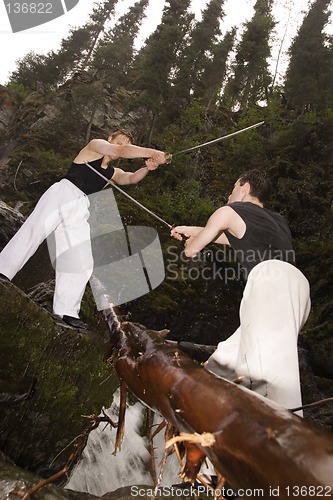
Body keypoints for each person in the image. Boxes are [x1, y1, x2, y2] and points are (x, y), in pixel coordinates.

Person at [171, 169, 311, 415]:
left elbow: (194, 249)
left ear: (244, 187)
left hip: (270, 284)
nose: (228, 195)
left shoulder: (228, 211)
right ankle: (202, 414)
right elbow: (223, 236)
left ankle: (286, 437)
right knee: (227, 362)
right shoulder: (277, 221)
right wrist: (190, 229)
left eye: (232, 189)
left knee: (271, 378)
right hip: (297, 290)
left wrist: (190, 244)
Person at [0, 129, 168, 330]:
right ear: (110, 140)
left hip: (80, 207)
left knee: (81, 259)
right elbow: (122, 150)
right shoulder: (95, 146)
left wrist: (148, 167)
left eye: (126, 143)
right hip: (63, 193)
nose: (122, 146)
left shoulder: (112, 172)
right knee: (33, 231)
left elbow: (130, 179)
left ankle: (66, 311)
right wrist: (152, 152)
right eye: (120, 141)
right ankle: (3, 270)